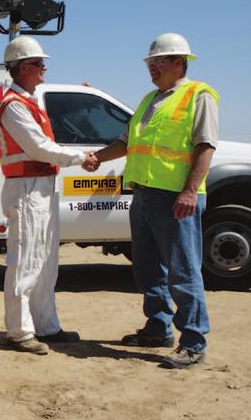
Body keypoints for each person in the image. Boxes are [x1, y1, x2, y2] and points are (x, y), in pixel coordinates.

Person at [84, 33, 218, 369]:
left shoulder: (198, 96)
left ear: (178, 63)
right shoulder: (148, 100)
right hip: (143, 194)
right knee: (147, 269)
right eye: (149, 63)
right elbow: (126, 143)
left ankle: (193, 341)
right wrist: (99, 157)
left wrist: (189, 192)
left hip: (175, 197)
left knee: (182, 271)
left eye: (158, 62)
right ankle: (158, 328)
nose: (152, 68)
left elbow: (205, 147)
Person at [0, 36, 96, 355]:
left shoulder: (30, 99)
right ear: (22, 68)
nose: (44, 68)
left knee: (45, 263)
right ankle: (20, 331)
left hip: (41, 187)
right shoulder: (13, 105)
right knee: (25, 261)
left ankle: (46, 326)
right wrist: (80, 158)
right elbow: (37, 147)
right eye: (39, 63)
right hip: (26, 189)